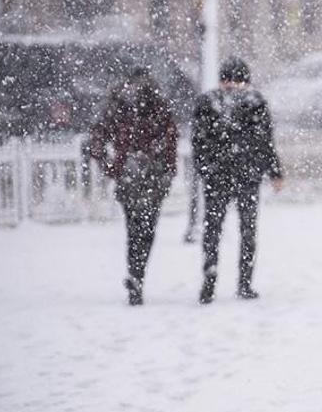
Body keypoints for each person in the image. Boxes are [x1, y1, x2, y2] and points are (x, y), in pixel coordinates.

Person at [192, 58, 283, 304]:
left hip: (217, 176)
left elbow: (198, 141)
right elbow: (265, 141)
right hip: (247, 175)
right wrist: (274, 172)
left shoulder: (207, 102)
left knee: (213, 228)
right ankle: (245, 282)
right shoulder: (255, 101)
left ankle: (210, 271)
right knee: (248, 230)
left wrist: (205, 169)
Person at [90, 67, 178, 306]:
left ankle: (135, 273)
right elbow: (170, 139)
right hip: (153, 173)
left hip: (128, 173)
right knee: (147, 229)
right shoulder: (158, 104)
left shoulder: (118, 104)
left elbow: (97, 139)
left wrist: (111, 166)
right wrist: (169, 169)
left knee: (134, 227)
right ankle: (138, 274)